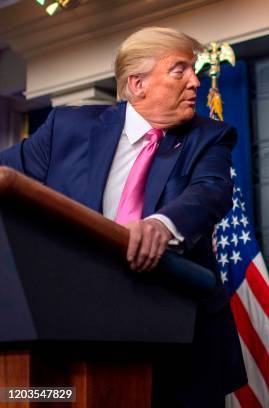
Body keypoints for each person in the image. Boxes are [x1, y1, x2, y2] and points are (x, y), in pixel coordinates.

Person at [0, 27, 246, 406]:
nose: (195, 82)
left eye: (194, 70)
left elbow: (210, 191)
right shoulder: (67, 129)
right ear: (137, 84)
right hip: (66, 330)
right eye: (179, 70)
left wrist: (160, 226)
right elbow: (7, 180)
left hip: (177, 346)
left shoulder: (208, 136)